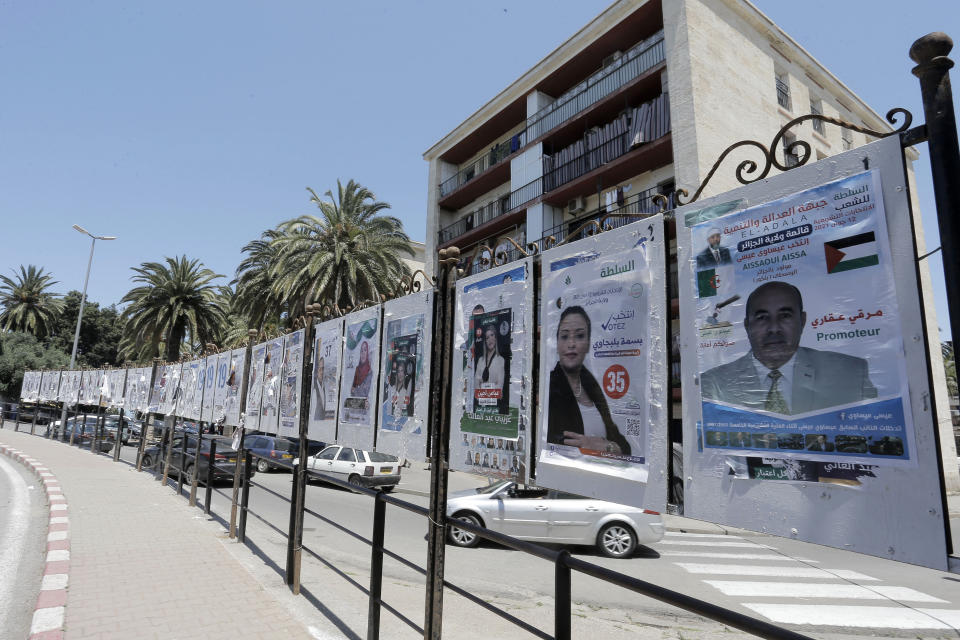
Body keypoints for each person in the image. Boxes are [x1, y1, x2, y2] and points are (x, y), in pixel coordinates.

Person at [700, 281, 877, 414]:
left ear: (803, 321)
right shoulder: (715, 384)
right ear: (747, 326)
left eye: (785, 316)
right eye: (762, 318)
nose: (774, 328)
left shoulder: (850, 374)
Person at [546, 306, 631, 455]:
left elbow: (623, 445)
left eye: (579, 336)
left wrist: (606, 447)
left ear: (588, 344)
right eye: (565, 336)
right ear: (557, 344)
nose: (571, 343)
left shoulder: (592, 387)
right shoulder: (549, 387)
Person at [474, 324, 505, 409]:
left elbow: (499, 387)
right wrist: (492, 386)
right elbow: (476, 385)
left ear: (495, 337)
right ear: (485, 341)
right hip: (480, 405)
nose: (490, 339)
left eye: (492, 335)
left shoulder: (500, 360)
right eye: (487, 338)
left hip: (494, 406)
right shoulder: (480, 360)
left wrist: (482, 386)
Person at [313, 356, 327, 421]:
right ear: (317, 371)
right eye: (320, 369)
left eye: (323, 369)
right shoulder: (313, 388)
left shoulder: (325, 387)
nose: (322, 372)